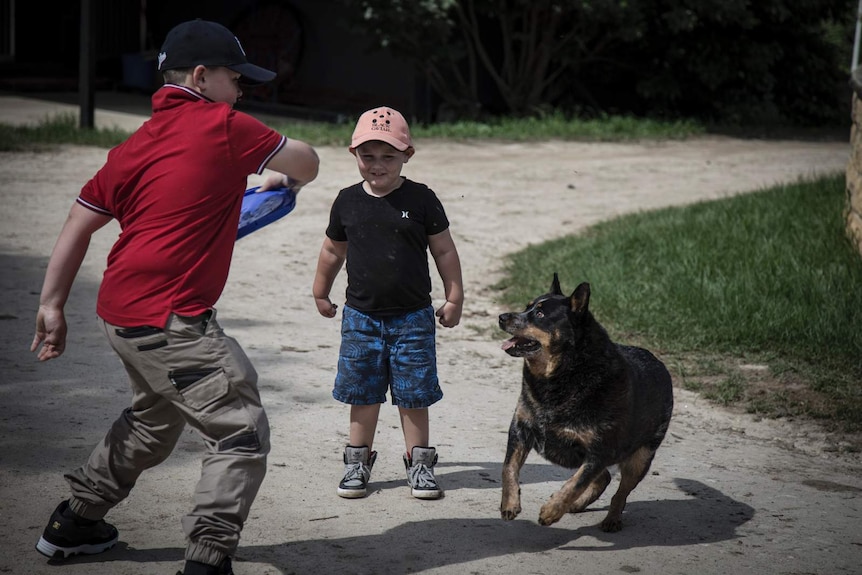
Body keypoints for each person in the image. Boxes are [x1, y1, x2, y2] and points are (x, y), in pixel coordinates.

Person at [30, 19, 319, 575]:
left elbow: (77, 222)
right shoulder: (224, 125)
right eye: (237, 80)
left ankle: (77, 521)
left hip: (120, 313)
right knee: (239, 428)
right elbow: (305, 162)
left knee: (152, 421)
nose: (241, 92)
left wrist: (50, 306)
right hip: (173, 321)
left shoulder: (135, 146)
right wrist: (274, 174)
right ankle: (207, 561)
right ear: (204, 77)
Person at [312, 106, 463, 500]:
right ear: (354, 155)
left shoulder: (422, 199)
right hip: (361, 318)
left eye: (388, 156)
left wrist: (454, 296)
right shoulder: (346, 201)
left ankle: (420, 466)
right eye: (368, 156)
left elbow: (444, 251)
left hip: (413, 318)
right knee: (362, 394)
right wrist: (319, 291)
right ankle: (357, 463)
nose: (377, 165)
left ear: (407, 155)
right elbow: (332, 251)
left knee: (414, 396)